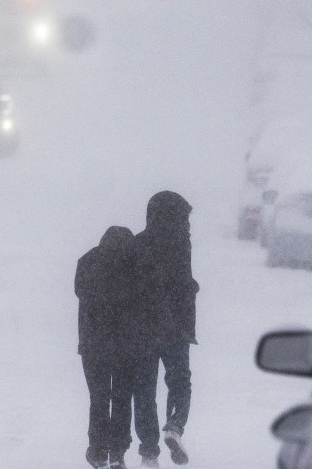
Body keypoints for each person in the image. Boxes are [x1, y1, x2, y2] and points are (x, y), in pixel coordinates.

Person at [132, 191, 199, 467]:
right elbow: (182, 285)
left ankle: (149, 451)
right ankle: (174, 426)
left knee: (144, 389)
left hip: (143, 329)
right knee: (180, 380)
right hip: (175, 328)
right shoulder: (181, 244)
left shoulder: (138, 244)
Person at [76, 225, 151, 469]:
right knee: (121, 399)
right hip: (125, 347)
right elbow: (143, 300)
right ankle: (117, 452)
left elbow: (80, 292)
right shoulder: (134, 266)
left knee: (98, 398)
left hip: (93, 346)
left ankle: (97, 451)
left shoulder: (88, 262)